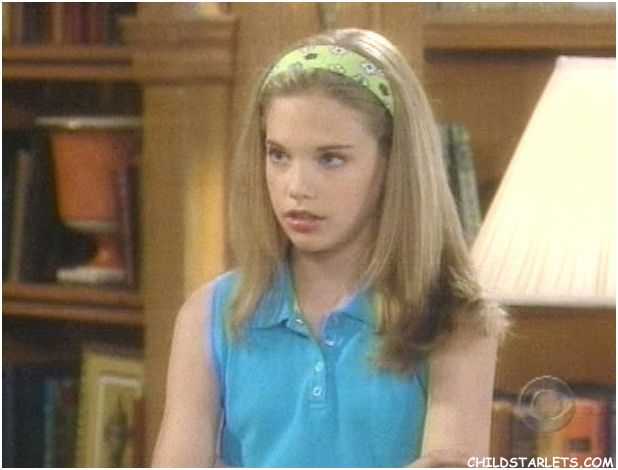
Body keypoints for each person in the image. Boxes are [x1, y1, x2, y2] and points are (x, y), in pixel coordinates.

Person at [152, 28, 508, 468]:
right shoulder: (211, 315)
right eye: (279, 155)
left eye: (331, 159)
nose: (297, 188)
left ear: (393, 163)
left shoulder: (452, 319)